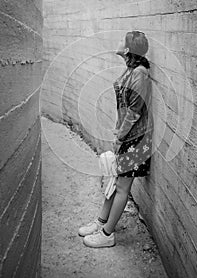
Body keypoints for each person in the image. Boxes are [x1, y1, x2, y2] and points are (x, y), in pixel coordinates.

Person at [78, 31, 153, 248]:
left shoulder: (140, 73)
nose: (118, 42)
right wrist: (119, 132)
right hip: (127, 135)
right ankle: (101, 222)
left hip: (136, 138)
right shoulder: (131, 69)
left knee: (121, 187)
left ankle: (107, 234)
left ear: (128, 49)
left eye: (123, 40)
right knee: (114, 182)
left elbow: (135, 110)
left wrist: (120, 136)